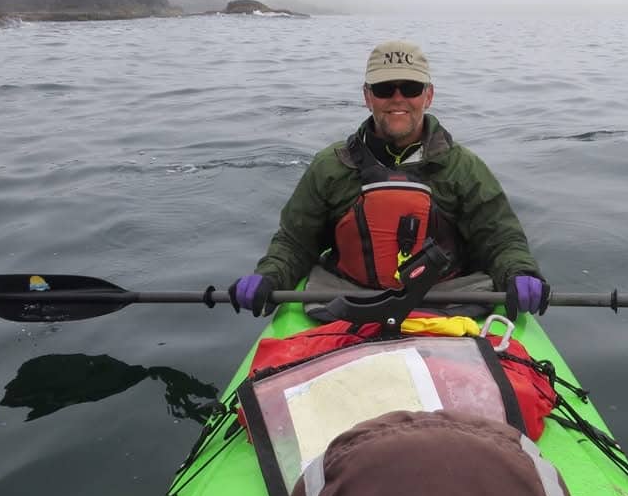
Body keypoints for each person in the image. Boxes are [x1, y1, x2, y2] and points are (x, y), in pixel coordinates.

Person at [229, 39, 549, 321]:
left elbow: (500, 239)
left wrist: (518, 271)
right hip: (346, 304)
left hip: (448, 305)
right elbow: (295, 243)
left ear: (429, 95)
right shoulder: (331, 166)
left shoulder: (463, 168)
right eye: (384, 89)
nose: (398, 99)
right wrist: (269, 277)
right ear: (368, 96)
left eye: (410, 88)